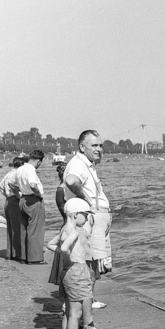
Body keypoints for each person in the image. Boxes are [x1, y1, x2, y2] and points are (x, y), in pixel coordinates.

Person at [64, 130, 111, 309]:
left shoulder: (86, 163)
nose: (99, 149)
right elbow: (71, 181)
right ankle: (87, 301)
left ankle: (88, 298)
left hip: (93, 217)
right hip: (91, 218)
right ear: (82, 147)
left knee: (93, 260)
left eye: (101, 145)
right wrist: (88, 202)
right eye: (95, 145)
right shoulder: (79, 164)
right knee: (91, 260)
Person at [46, 198, 95, 329]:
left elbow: (50, 244)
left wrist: (63, 254)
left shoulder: (63, 229)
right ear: (75, 215)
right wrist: (67, 255)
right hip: (76, 271)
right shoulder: (73, 231)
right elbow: (65, 248)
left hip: (67, 271)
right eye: (85, 215)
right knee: (76, 313)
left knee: (68, 312)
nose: (87, 218)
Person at [14, 150, 46, 264]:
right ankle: (35, 258)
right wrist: (38, 194)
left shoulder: (20, 169)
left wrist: (18, 195)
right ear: (38, 161)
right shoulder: (30, 170)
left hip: (23, 199)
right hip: (33, 199)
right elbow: (33, 184)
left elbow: (12, 184)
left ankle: (23, 256)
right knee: (35, 229)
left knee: (24, 229)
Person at [0, 156, 24, 260]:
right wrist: (19, 196)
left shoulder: (8, 174)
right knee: (17, 227)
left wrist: (6, 195)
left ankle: (10, 252)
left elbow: (0, 186)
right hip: (15, 200)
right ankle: (17, 252)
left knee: (10, 227)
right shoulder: (17, 174)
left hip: (8, 201)